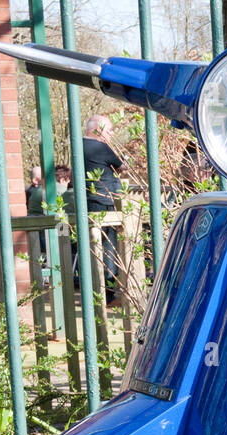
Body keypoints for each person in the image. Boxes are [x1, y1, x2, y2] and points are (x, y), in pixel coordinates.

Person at [82, 114, 124, 305]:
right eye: (109, 130)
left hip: (88, 201)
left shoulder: (79, 145)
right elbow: (124, 165)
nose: (112, 134)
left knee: (92, 246)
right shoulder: (100, 147)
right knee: (109, 247)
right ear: (98, 131)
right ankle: (108, 292)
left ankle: (95, 291)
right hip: (104, 202)